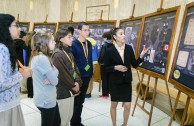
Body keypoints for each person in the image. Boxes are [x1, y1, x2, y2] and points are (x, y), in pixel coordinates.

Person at [104, 27, 148, 126]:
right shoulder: (109, 50)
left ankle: (124, 124)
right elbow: (105, 68)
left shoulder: (129, 48)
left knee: (127, 105)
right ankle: (114, 124)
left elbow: (135, 64)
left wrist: (141, 56)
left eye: (124, 33)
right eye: (121, 34)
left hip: (126, 82)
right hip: (114, 82)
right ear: (114, 37)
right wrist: (115, 67)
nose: (124, 35)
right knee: (114, 104)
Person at [0, 14, 32, 126]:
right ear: (5, 27)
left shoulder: (7, 46)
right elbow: (1, 83)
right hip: (5, 106)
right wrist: (21, 75)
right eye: (15, 25)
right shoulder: (2, 49)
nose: (19, 28)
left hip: (10, 102)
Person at [30, 30, 61, 126]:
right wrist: (53, 75)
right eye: (52, 41)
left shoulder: (43, 57)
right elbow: (55, 81)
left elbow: (56, 71)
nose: (55, 42)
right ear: (45, 44)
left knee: (56, 122)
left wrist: (53, 75)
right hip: (46, 100)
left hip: (48, 97)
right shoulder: (42, 59)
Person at [53, 29, 82, 126]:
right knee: (62, 119)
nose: (72, 39)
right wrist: (73, 85)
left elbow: (75, 69)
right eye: (69, 37)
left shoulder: (69, 52)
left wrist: (77, 81)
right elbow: (62, 74)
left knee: (69, 116)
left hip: (71, 90)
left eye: (71, 36)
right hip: (63, 91)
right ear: (61, 39)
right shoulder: (57, 54)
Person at [70, 22, 93, 126]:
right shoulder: (73, 44)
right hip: (78, 78)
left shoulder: (88, 44)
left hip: (87, 76)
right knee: (76, 102)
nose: (87, 32)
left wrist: (90, 72)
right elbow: (72, 64)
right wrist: (75, 79)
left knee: (81, 101)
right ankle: (73, 122)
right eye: (85, 30)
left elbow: (89, 60)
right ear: (79, 31)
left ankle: (77, 121)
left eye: (88, 30)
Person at [98, 31, 112, 98]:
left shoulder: (105, 45)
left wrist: (99, 61)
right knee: (109, 79)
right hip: (110, 65)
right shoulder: (112, 45)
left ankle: (104, 94)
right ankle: (108, 92)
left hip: (104, 65)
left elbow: (102, 55)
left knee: (104, 79)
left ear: (106, 38)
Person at [25, 31, 36, 98]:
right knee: (31, 79)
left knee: (29, 79)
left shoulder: (26, 45)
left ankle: (30, 94)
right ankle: (31, 94)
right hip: (31, 64)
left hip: (28, 64)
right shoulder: (32, 47)